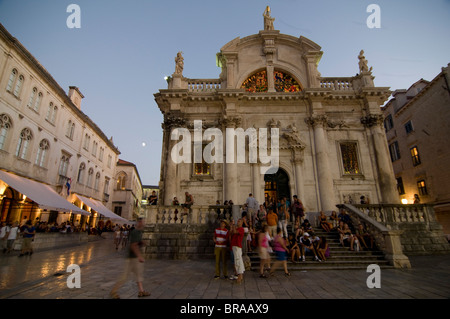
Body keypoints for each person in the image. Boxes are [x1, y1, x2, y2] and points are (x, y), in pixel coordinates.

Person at [110, 218, 150, 298]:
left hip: (135, 258)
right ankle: (113, 291)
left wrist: (142, 242)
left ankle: (141, 291)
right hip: (132, 258)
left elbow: (136, 243)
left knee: (139, 275)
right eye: (143, 222)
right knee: (124, 276)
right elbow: (133, 245)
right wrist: (139, 256)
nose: (144, 224)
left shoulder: (139, 232)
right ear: (139, 223)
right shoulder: (135, 232)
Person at [230, 218, 245, 284]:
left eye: (239, 221)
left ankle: (240, 274)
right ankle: (239, 275)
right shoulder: (237, 228)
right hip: (234, 245)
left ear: (241, 223)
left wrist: (233, 225)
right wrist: (232, 226)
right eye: (237, 221)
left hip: (237, 246)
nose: (238, 222)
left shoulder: (241, 229)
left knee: (238, 260)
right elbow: (232, 233)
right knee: (236, 261)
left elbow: (235, 232)